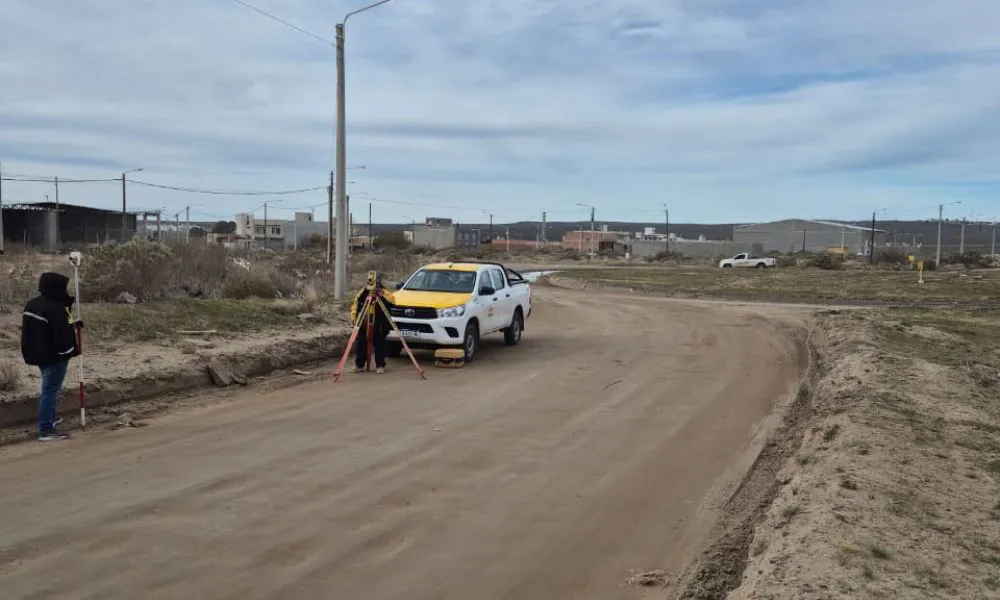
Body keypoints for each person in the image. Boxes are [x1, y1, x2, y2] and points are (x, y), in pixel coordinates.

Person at [21, 272, 82, 441]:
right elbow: (62, 335)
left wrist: (73, 322)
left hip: (39, 355)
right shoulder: (54, 308)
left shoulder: (32, 304)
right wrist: (68, 352)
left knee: (49, 388)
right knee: (50, 391)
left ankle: (51, 418)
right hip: (55, 357)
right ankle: (46, 428)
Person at [350, 274, 396, 374]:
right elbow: (356, 304)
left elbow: (392, 304)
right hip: (364, 323)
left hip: (379, 325)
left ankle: (380, 365)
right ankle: (359, 365)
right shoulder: (363, 293)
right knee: (361, 344)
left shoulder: (385, 293)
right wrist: (354, 318)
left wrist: (381, 296)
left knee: (379, 345)